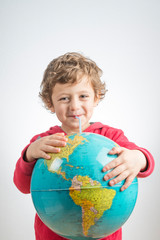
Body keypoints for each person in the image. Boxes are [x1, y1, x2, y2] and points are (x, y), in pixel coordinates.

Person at [13, 52, 155, 240]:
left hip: (103, 234)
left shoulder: (110, 137)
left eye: (83, 96)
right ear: (50, 103)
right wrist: (29, 155)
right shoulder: (45, 142)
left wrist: (139, 158)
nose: (74, 106)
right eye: (64, 98)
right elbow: (22, 186)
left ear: (96, 97)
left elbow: (145, 163)